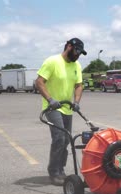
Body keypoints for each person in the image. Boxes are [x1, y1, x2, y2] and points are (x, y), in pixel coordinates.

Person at [35, 38, 87, 185]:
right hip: (52, 107)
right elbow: (39, 82)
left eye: (80, 53)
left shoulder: (76, 65)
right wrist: (50, 100)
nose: (78, 55)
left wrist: (76, 102)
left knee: (66, 140)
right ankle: (54, 172)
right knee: (59, 138)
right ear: (69, 47)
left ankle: (61, 170)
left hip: (66, 108)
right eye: (77, 51)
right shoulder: (52, 61)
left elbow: (79, 85)